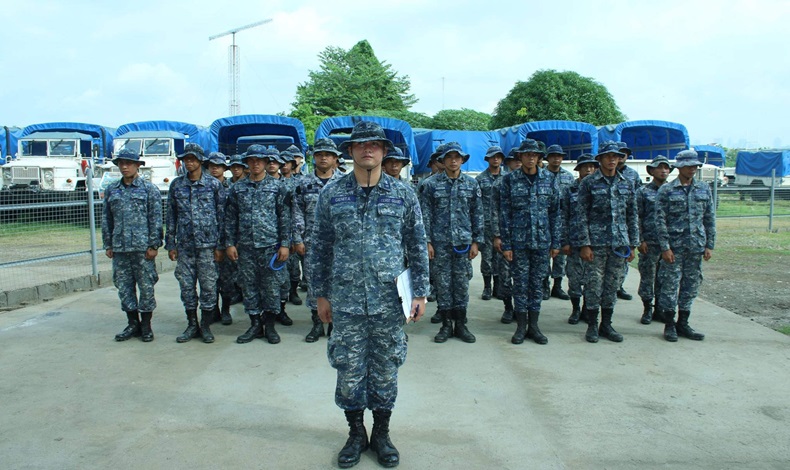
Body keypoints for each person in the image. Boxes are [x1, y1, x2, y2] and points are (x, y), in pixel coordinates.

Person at [308, 121, 429, 468]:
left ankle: (382, 433)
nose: (368, 150)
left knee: (386, 368)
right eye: (360, 145)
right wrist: (320, 294)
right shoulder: (332, 194)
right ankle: (355, 433)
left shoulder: (403, 193)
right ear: (350, 151)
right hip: (345, 300)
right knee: (348, 369)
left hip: (388, 302)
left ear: (384, 150)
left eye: (375, 144)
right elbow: (320, 246)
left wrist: (419, 292)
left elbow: (416, 245)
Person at [572, 141, 639, 343]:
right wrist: (584, 244)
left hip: (619, 244)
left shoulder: (626, 183)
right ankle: (592, 325)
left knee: (612, 285)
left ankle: (606, 325)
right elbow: (581, 215)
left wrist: (633, 244)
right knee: (594, 285)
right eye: (608, 156)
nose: (612, 160)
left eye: (615, 156)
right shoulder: (589, 183)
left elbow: (632, 215)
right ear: (600, 159)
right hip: (596, 244)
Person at [224, 144, 291, 344]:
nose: (255, 163)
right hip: (245, 246)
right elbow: (230, 218)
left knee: (271, 287)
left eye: (259, 160)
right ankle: (254, 324)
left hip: (270, 246)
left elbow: (284, 217)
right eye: (251, 160)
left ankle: (269, 326)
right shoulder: (237, 188)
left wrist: (285, 244)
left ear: (265, 163)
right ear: (247, 163)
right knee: (249, 286)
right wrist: (229, 243)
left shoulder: (278, 187)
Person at [420, 141, 484, 344]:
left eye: (457, 157)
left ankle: (461, 325)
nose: (453, 160)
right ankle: (446, 325)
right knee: (443, 284)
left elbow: (477, 214)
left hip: (463, 244)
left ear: (462, 160)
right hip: (440, 245)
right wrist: (428, 242)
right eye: (449, 157)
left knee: (462, 284)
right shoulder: (430, 185)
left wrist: (477, 242)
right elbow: (425, 215)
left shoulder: (471, 184)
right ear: (443, 161)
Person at [499, 139, 561, 345]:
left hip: (542, 242)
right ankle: (521, 327)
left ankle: (534, 326)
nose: (531, 157)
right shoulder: (509, 180)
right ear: (520, 157)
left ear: (539, 157)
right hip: (519, 243)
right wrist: (506, 245)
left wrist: (555, 243)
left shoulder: (550, 180)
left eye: (534, 154)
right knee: (520, 284)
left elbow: (555, 213)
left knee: (537, 284)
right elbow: (504, 214)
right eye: (527, 154)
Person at [166, 144, 225, 343]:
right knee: (187, 287)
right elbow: (171, 216)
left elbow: (222, 217)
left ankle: (206, 326)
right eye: (186, 159)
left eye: (192, 159)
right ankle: (192, 324)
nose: (189, 162)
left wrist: (220, 246)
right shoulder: (176, 185)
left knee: (209, 286)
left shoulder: (214, 185)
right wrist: (170, 244)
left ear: (201, 161)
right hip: (185, 245)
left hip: (208, 246)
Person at [103, 148, 163, 343]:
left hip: (142, 248)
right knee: (124, 286)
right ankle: (132, 323)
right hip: (120, 248)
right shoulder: (112, 189)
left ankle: (146, 326)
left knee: (146, 287)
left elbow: (155, 218)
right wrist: (108, 244)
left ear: (138, 166)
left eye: (128, 163)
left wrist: (154, 244)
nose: (124, 166)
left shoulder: (148, 189)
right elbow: (107, 219)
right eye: (121, 163)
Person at [655, 150, 715, 342]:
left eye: (695, 166)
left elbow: (709, 218)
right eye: (688, 166)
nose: (692, 169)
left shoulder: (704, 189)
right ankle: (670, 324)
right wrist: (665, 247)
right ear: (679, 167)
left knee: (690, 285)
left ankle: (684, 323)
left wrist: (709, 244)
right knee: (670, 285)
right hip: (674, 247)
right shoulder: (667, 190)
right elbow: (660, 220)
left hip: (695, 246)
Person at [293, 138, 342, 342]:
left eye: (328, 154)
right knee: (314, 283)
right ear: (313, 158)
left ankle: (335, 325)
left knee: (338, 283)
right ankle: (316, 324)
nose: (323, 157)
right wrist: (298, 238)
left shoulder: (344, 182)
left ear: (335, 159)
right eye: (320, 154)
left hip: (339, 244)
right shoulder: (302, 184)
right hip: (312, 243)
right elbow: (296, 212)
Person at [561, 153, 599, 324]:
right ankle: (576, 309)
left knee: (593, 280)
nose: (589, 170)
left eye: (592, 166)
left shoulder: (600, 188)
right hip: (575, 242)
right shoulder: (570, 189)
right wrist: (565, 241)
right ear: (579, 170)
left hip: (597, 242)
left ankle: (587, 310)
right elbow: (564, 216)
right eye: (585, 167)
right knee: (574, 278)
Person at [636, 155, 672, 325]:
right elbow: (637, 217)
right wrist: (640, 240)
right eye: (660, 167)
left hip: (669, 244)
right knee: (648, 277)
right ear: (651, 171)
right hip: (649, 242)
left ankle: (660, 308)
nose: (663, 170)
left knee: (665, 278)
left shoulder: (673, 191)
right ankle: (647, 308)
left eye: (666, 168)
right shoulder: (643, 192)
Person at [263, 149, 296, 327]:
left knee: (283, 278)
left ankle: (281, 309)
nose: (272, 165)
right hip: (265, 239)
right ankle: (267, 314)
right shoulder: (256, 184)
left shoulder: (288, 185)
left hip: (285, 238)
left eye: (276, 162)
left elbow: (291, 214)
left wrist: (290, 239)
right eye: (269, 162)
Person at [205, 151, 237, 324]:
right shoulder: (204, 187)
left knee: (226, 279)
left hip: (226, 241)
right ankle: (213, 310)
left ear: (225, 168)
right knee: (209, 280)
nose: (214, 169)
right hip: (207, 240)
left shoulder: (232, 189)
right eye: (211, 166)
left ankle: (226, 310)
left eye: (218, 166)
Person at [543, 144, 575, 301]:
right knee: (543, 256)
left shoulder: (568, 177)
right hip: (544, 221)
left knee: (560, 256)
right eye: (553, 155)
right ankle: (544, 286)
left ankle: (557, 285)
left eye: (559, 156)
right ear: (548, 158)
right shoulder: (541, 175)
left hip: (562, 222)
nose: (556, 158)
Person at [475, 145, 506, 301]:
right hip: (486, 224)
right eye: (493, 157)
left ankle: (498, 287)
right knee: (487, 257)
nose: (496, 159)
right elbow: (475, 204)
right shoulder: (480, 180)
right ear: (487, 159)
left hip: (503, 224)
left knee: (501, 257)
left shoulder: (507, 178)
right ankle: (487, 287)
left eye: (498, 157)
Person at [614, 142, 642, 301]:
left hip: (623, 225)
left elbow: (636, 203)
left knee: (622, 260)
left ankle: (619, 285)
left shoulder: (632, 175)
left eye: (623, 153)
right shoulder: (599, 173)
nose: (620, 157)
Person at [279, 149, 304, 308]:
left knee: (295, 267)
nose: (284, 166)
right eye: (282, 163)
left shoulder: (299, 182)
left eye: (287, 163)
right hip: (280, 230)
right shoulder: (275, 182)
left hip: (294, 229)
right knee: (281, 268)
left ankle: (293, 292)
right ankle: (281, 300)